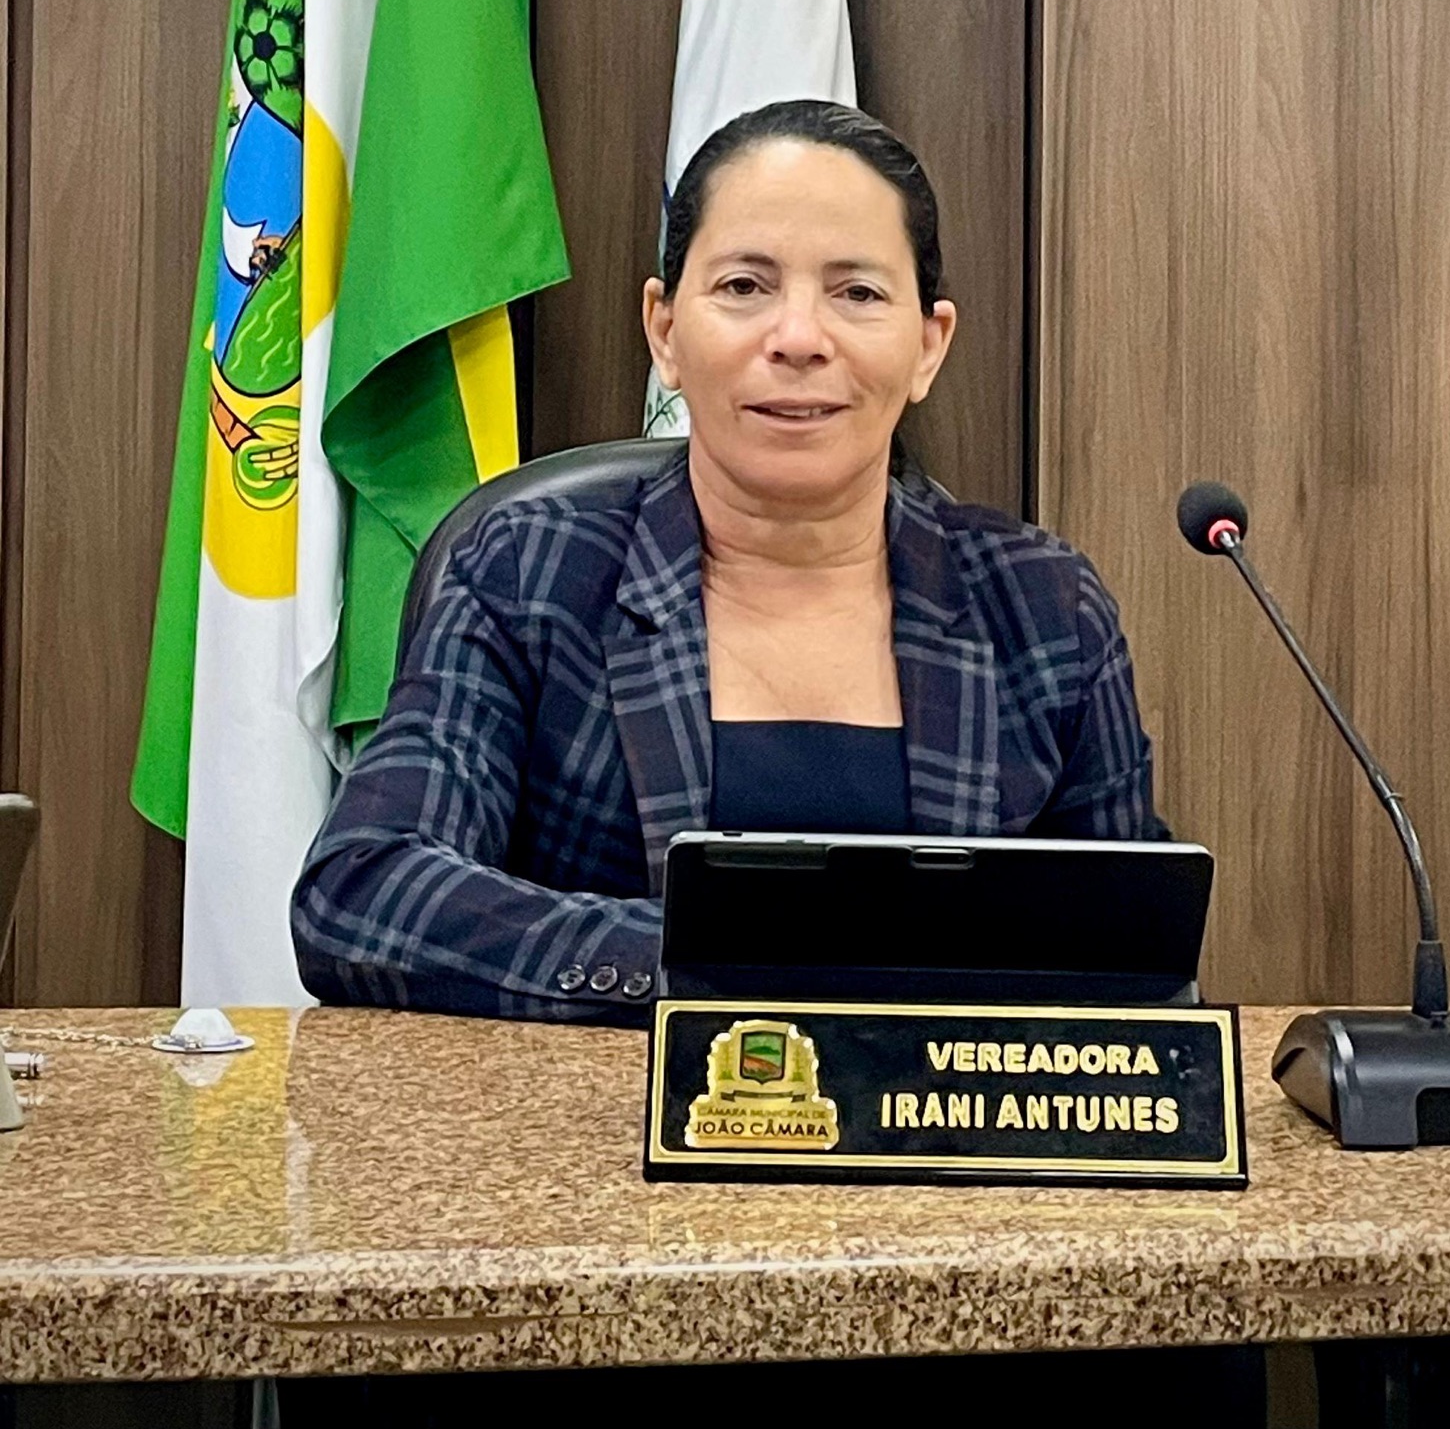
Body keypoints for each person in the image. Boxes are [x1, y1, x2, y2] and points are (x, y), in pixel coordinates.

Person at [291, 100, 1165, 1021]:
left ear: (928, 345)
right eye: (745, 286)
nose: (798, 338)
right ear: (665, 331)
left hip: (933, 1112)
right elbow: (363, 893)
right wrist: (715, 965)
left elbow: (1133, 956)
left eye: (858, 294)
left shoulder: (1042, 610)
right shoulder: (531, 573)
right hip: (601, 1112)